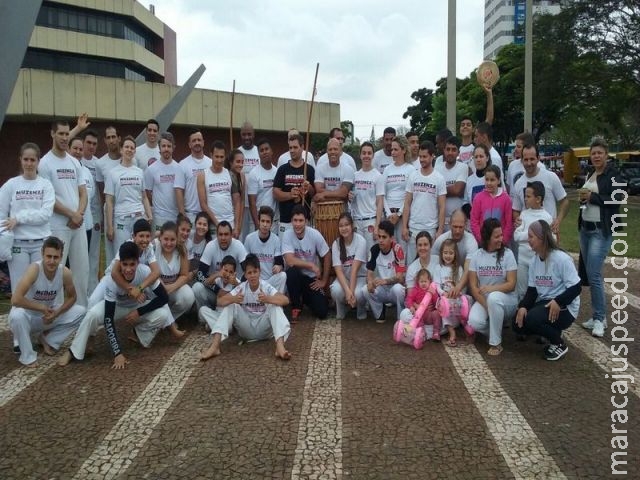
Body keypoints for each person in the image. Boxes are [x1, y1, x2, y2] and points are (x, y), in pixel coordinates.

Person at [59, 241, 171, 369]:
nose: (128, 269)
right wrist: (117, 353)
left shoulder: (145, 271)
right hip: (118, 306)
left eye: (132, 264)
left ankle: (139, 334)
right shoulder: (112, 281)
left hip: (135, 307)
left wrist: (139, 312)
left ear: (138, 262)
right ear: (120, 263)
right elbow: (108, 318)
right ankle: (73, 351)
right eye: (124, 264)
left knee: (163, 314)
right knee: (92, 315)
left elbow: (163, 297)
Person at [199, 254, 292, 361]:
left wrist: (268, 299)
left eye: (255, 272)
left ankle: (280, 347)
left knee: (275, 306)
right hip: (246, 329)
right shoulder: (241, 287)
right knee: (231, 305)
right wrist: (233, 299)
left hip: (264, 330)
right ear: (245, 275)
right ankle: (215, 347)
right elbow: (220, 301)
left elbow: (285, 300)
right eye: (249, 273)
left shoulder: (265, 286)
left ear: (259, 272)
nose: (252, 275)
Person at [9, 237, 85, 367]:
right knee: (17, 316)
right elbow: (15, 299)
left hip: (48, 316)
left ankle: (48, 340)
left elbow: (73, 297)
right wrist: (41, 308)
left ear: (61, 257)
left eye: (56, 257)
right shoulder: (34, 269)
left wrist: (57, 312)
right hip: (28, 318)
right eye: (48, 256)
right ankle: (27, 356)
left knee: (81, 312)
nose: (51, 261)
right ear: (42, 254)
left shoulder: (65, 272)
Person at [38, 119, 89, 307]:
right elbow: (48, 198)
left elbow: (83, 192)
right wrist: (71, 214)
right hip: (59, 226)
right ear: (52, 134)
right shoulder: (45, 163)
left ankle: (82, 312)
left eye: (67, 134)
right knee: (56, 270)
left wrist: (79, 214)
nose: (65, 137)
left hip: (78, 225)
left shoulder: (74, 162)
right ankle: (55, 314)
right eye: (61, 133)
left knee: (81, 271)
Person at [513, 220, 581, 360]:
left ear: (542, 237)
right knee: (517, 323)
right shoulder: (534, 261)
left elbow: (576, 288)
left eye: (531, 236)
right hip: (546, 302)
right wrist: (523, 307)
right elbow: (532, 291)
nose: (528, 239)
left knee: (532, 319)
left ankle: (559, 343)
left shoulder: (561, 259)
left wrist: (558, 301)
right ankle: (553, 331)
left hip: (565, 307)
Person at [578, 138, 621, 338]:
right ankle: (598, 316)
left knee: (594, 275)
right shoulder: (590, 173)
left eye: (599, 153)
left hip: (600, 230)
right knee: (589, 273)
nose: (596, 156)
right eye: (593, 153)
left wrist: (591, 198)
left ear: (606, 154)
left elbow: (617, 198)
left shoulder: (613, 174)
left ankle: (600, 318)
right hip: (585, 229)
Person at [0, 143, 55, 294]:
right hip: (18, 245)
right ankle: (18, 317)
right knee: (19, 289)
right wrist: (4, 234)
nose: (29, 163)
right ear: (20, 160)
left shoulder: (46, 185)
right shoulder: (11, 185)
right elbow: (1, 213)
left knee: (40, 288)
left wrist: (18, 218)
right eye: (26, 159)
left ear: (38, 162)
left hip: (41, 243)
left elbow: (45, 215)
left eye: (33, 160)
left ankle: (39, 317)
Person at [467, 218, 518, 356]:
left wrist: (491, 290)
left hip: (507, 300)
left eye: (501, 235)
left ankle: (496, 343)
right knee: (473, 322)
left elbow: (511, 285)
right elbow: (473, 287)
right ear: (487, 237)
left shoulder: (508, 254)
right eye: (497, 236)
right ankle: (495, 329)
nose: (500, 239)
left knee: (494, 298)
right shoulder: (477, 256)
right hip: (486, 301)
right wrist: (488, 306)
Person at [104, 136, 153, 253]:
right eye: (127, 147)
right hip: (121, 220)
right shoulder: (113, 173)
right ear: (121, 150)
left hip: (138, 216)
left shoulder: (139, 172)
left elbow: (144, 196)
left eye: (132, 148)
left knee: (140, 253)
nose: (129, 150)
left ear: (135, 152)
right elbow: (109, 202)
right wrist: (110, 226)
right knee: (122, 254)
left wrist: (149, 215)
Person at [282, 204, 330, 321]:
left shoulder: (314, 234)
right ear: (291, 221)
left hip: (311, 280)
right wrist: (311, 265)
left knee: (322, 312)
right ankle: (296, 306)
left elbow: (327, 255)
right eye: (295, 220)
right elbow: (290, 260)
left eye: (301, 220)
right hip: (296, 277)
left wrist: (324, 280)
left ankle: (306, 299)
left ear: (306, 221)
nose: (297, 224)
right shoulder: (287, 235)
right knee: (291, 272)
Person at [402, 140, 446, 261]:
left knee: (429, 265)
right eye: (420, 157)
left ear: (432, 156)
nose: (422, 159)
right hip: (413, 228)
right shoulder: (413, 176)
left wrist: (440, 231)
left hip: (431, 229)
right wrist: (404, 227)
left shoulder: (439, 178)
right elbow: (407, 203)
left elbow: (442, 207)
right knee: (411, 265)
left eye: (425, 156)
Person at [512, 143, 568, 235]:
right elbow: (516, 209)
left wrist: (558, 220)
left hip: (549, 234)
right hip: (527, 237)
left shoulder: (551, 177)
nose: (529, 163)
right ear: (521, 160)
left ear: (538, 158)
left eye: (532, 159)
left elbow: (565, 201)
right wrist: (517, 219)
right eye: (526, 159)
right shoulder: (518, 183)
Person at [193, 221, 247, 310]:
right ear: (216, 235)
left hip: (233, 291)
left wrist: (237, 286)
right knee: (197, 287)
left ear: (231, 235)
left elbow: (247, 271)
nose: (223, 238)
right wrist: (218, 290)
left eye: (226, 234)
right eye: (220, 234)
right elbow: (200, 275)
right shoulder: (211, 246)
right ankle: (206, 313)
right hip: (215, 288)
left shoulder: (238, 245)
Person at [360, 220, 407, 323]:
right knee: (365, 289)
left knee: (399, 289)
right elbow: (369, 273)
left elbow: (400, 278)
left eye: (384, 237)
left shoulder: (397, 249)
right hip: (381, 288)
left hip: (394, 289)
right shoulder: (374, 249)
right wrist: (370, 283)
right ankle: (380, 313)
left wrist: (385, 281)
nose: (380, 240)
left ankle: (401, 318)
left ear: (391, 238)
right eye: (379, 236)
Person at [513, 181, 553, 300]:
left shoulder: (546, 217)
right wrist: (535, 235)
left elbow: (550, 238)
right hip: (523, 260)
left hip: (539, 261)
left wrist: (528, 235)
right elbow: (516, 236)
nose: (525, 199)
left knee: (539, 290)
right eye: (525, 196)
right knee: (522, 291)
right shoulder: (524, 214)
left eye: (528, 196)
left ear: (538, 199)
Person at [272, 133, 315, 238]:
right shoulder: (282, 169)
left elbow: (314, 194)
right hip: (286, 220)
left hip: (304, 220)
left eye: (295, 147)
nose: (292, 150)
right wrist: (290, 195)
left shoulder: (309, 169)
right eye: (290, 147)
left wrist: (308, 188)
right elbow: (275, 193)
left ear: (302, 147)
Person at [155, 221, 194, 335]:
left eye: (172, 240)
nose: (169, 243)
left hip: (173, 287)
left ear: (177, 239)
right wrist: (162, 288)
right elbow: (151, 272)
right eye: (165, 239)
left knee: (188, 296)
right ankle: (160, 322)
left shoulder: (182, 250)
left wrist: (171, 287)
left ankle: (169, 319)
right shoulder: (154, 246)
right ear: (160, 237)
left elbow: (184, 275)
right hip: (156, 287)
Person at [431, 210, 479, 298]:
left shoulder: (471, 241)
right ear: (449, 224)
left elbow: (468, 269)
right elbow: (432, 264)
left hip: (463, 279)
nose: (457, 230)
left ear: (466, 225)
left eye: (461, 227)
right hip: (443, 281)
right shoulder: (441, 240)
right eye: (455, 226)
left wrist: (457, 288)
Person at [330, 213, 368, 320]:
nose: (344, 228)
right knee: (336, 290)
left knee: (358, 293)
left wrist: (351, 292)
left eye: (346, 225)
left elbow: (354, 270)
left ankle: (361, 308)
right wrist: (347, 292)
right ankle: (341, 308)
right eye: (341, 226)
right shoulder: (336, 244)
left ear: (352, 226)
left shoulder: (361, 241)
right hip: (344, 278)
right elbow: (339, 271)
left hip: (359, 277)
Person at [349, 141, 384, 254]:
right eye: (364, 153)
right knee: (358, 255)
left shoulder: (378, 176)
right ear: (360, 155)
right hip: (357, 221)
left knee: (371, 256)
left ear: (373, 155)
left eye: (369, 153)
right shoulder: (355, 176)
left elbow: (380, 202)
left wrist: (377, 226)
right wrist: (349, 197)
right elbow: (351, 200)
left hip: (371, 221)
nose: (366, 156)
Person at [383, 136, 415, 254]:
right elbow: (383, 194)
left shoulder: (410, 169)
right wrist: (389, 213)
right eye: (392, 150)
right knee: (389, 248)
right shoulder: (387, 169)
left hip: (402, 216)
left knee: (402, 249)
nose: (393, 153)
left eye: (396, 150)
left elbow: (409, 196)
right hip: (389, 216)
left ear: (404, 150)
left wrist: (399, 214)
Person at [431, 239, 467, 346]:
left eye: (451, 253)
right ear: (441, 254)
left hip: (456, 297)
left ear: (455, 254)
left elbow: (461, 285)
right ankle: (452, 332)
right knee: (443, 307)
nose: (448, 255)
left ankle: (466, 326)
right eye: (445, 253)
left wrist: (458, 293)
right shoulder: (439, 268)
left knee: (467, 302)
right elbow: (436, 284)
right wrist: (443, 293)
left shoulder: (459, 269)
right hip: (444, 298)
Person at [80, 129, 102, 293]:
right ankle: (78, 290)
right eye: (88, 143)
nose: (91, 146)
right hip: (77, 215)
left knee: (93, 255)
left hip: (94, 215)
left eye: (94, 144)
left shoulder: (98, 164)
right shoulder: (75, 161)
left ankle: (92, 291)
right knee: (79, 255)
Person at [243, 206, 286, 293]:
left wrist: (279, 267)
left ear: (271, 224)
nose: (265, 225)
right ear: (258, 221)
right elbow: (245, 263)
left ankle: (275, 303)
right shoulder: (249, 238)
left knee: (283, 275)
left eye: (268, 222)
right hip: (254, 280)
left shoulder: (276, 239)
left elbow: (279, 262)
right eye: (262, 221)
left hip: (269, 280)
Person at [144, 132, 181, 232]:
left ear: (173, 148)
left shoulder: (179, 168)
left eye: (169, 146)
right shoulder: (151, 169)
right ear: (159, 148)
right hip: (159, 217)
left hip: (175, 216)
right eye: (163, 146)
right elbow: (147, 193)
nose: (166, 149)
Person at [95, 126, 121, 265]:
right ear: (105, 140)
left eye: (114, 137)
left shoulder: (130, 159)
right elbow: (101, 190)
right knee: (111, 250)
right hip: (110, 211)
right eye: (108, 137)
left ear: (119, 138)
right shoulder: (100, 163)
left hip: (127, 210)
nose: (111, 140)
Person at [470, 165, 513, 245]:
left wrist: (503, 241)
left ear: (499, 180)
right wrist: (481, 240)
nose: (489, 183)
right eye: (487, 180)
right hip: (483, 243)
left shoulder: (506, 199)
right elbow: (474, 221)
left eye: (492, 180)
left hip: (501, 244)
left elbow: (509, 223)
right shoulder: (478, 198)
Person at [176, 129, 211, 223]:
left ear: (203, 142)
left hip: (208, 215)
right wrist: (183, 215)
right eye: (194, 141)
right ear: (189, 144)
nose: (197, 143)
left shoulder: (211, 163)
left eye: (199, 140)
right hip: (190, 215)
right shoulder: (182, 164)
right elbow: (179, 191)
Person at [69, 137, 95, 262]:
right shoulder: (65, 172)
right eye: (75, 148)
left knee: (83, 262)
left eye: (80, 149)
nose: (78, 152)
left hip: (86, 225)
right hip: (69, 224)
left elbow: (92, 194)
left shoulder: (87, 172)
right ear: (68, 149)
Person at [435, 136, 469, 232]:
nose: (450, 152)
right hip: (440, 220)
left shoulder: (463, 167)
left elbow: (457, 190)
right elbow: (434, 192)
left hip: (458, 221)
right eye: (448, 149)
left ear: (458, 152)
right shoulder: (437, 168)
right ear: (444, 151)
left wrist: (440, 191)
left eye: (454, 150)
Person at [197, 140, 234, 228]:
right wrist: (217, 224)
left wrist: (237, 226)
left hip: (230, 222)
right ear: (211, 155)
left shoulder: (230, 174)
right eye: (216, 156)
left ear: (225, 157)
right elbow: (203, 204)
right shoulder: (202, 175)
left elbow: (237, 201)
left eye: (222, 157)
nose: (219, 160)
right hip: (213, 224)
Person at [399, 269, 442, 340]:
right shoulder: (416, 290)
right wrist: (412, 306)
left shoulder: (431, 290)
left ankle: (436, 332)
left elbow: (437, 303)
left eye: (425, 281)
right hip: (419, 315)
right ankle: (422, 333)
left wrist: (434, 294)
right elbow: (409, 299)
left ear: (429, 281)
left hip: (429, 315)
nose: (423, 283)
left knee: (436, 314)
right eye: (421, 281)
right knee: (416, 316)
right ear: (418, 282)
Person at [248, 138, 279, 233]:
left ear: (271, 151)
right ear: (258, 154)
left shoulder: (277, 171)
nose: (264, 152)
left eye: (266, 149)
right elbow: (252, 202)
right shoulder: (254, 173)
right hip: (260, 222)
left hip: (274, 221)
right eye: (261, 150)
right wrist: (257, 224)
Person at [313, 137, 355, 205]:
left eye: (335, 149)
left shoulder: (348, 169)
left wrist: (325, 194)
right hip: (323, 211)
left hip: (343, 212)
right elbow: (319, 191)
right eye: (330, 149)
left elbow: (343, 193)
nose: (333, 152)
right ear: (327, 151)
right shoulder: (320, 168)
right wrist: (338, 195)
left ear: (340, 151)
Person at [238, 121, 260, 241]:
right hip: (241, 203)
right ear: (240, 135)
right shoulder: (237, 152)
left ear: (253, 134)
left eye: (249, 134)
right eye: (244, 134)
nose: (247, 137)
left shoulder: (258, 152)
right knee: (242, 234)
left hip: (256, 203)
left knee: (254, 233)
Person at [225, 148, 246, 238]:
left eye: (242, 162)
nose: (240, 165)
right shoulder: (225, 175)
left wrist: (239, 225)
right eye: (238, 161)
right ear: (231, 162)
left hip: (237, 218)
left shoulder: (242, 176)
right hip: (227, 216)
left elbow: (242, 201)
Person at [464, 144, 492, 210]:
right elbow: (465, 202)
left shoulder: (494, 178)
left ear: (487, 158)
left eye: (481, 156)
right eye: (476, 157)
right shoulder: (469, 180)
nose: (478, 160)